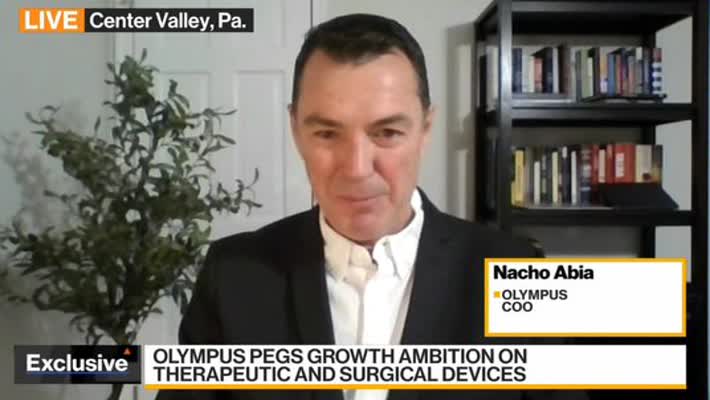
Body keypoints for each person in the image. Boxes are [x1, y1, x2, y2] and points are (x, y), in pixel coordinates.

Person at [157, 13, 585, 400]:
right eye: (327, 134)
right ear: (296, 130)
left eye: (387, 133)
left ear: (425, 129)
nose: (357, 169)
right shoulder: (233, 274)